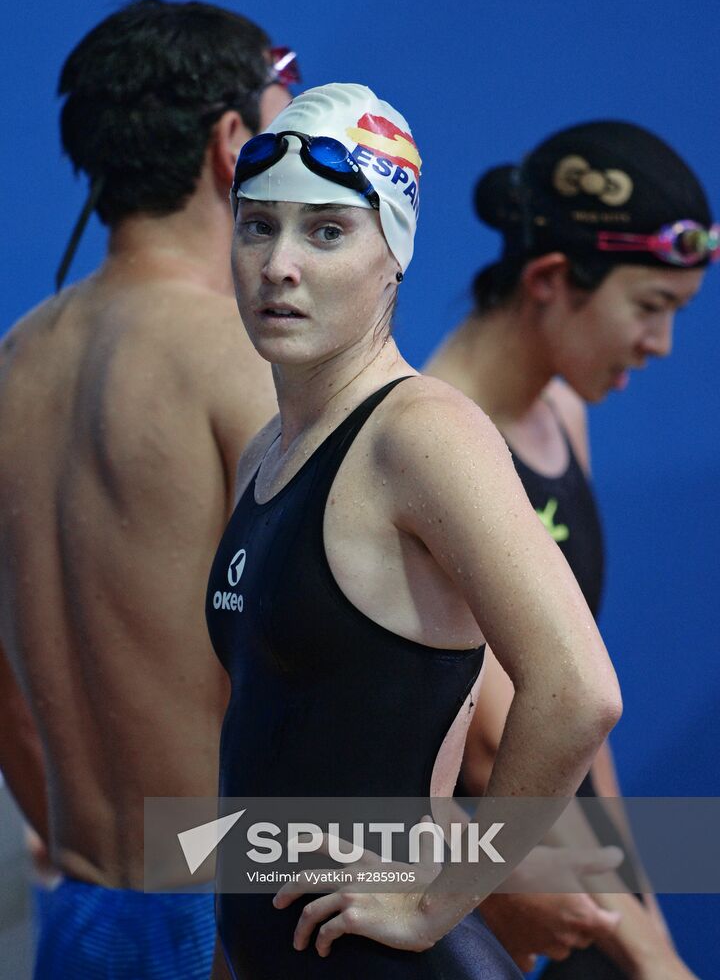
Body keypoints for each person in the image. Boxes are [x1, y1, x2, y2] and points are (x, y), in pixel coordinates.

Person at [206, 82, 623, 980]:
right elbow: (264, 736)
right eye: (257, 226)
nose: (281, 264)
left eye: (326, 231)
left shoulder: (421, 433)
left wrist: (439, 901)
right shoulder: (266, 452)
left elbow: (579, 690)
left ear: (393, 252)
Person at [0, 0, 296, 978]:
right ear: (230, 143)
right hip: (226, 916)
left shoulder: (15, 363)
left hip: (81, 912)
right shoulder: (240, 359)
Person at [425, 120, 716, 979]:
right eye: (651, 308)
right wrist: (644, 947)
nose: (661, 344)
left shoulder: (564, 417)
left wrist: (642, 908)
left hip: (585, 885)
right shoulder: (432, 448)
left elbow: (584, 708)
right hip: (498, 901)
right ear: (551, 279)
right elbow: (490, 745)